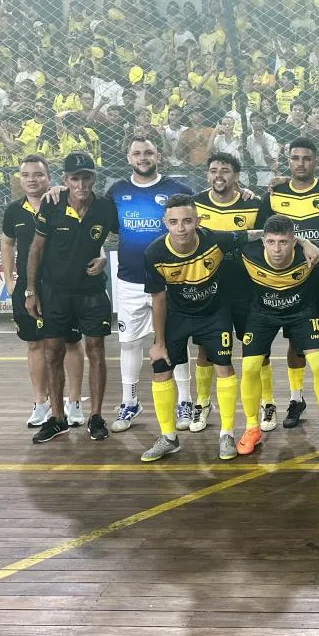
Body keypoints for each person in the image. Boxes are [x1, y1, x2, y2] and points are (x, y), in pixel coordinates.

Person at [139, 195, 262, 462]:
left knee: (224, 367)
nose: (181, 228)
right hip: (177, 315)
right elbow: (158, 299)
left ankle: (226, 434)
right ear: (165, 223)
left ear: (197, 220)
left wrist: (302, 241)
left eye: (186, 221)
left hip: (215, 313)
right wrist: (158, 342)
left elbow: (254, 234)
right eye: (173, 222)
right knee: (161, 368)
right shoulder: (154, 253)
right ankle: (168, 438)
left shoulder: (216, 239)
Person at [260, 137, 319, 431]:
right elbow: (262, 234)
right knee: (295, 341)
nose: (300, 163)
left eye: (306, 158)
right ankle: (296, 397)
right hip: (289, 281)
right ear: (288, 161)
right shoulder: (274, 195)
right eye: (295, 158)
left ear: (315, 162)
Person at [102, 138, 196, 434]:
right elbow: (104, 226)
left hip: (171, 280)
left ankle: (185, 401)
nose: (143, 158)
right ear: (128, 157)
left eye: (148, 152)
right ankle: (130, 402)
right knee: (129, 343)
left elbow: (203, 211)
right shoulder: (116, 191)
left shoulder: (177, 190)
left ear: (159, 155)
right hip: (129, 279)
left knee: (174, 341)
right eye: (137, 153)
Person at [25, 152, 119, 444]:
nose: (81, 183)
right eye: (75, 178)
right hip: (55, 293)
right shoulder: (51, 205)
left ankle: (96, 417)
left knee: (96, 351)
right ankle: (57, 418)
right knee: (53, 352)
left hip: (91, 292)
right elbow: (36, 249)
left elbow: (116, 236)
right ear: (65, 180)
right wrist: (31, 291)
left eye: (87, 177)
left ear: (94, 178)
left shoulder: (105, 207)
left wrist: (103, 257)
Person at [1, 155, 87, 429]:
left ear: (49, 177)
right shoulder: (14, 211)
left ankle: (74, 402)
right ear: (20, 178)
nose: (31, 179)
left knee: (71, 343)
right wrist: (9, 281)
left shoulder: (63, 202)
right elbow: (7, 242)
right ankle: (41, 402)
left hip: (63, 288)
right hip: (28, 289)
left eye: (37, 174)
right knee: (35, 344)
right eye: (26, 174)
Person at [236, 214, 319, 454]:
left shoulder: (310, 251)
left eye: (284, 242)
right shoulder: (248, 251)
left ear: (293, 241)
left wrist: (306, 242)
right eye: (271, 242)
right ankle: (251, 428)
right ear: (263, 241)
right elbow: (219, 238)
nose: (277, 249)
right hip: (262, 314)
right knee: (248, 368)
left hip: (302, 312)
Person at [193, 153, 273, 431]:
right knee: (205, 349)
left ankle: (267, 403)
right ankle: (202, 404)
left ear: (236, 176)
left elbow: (267, 239)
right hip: (208, 289)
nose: (218, 176)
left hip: (247, 288)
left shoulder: (253, 204)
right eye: (213, 170)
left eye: (225, 171)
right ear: (207, 174)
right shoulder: (196, 204)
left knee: (257, 349)